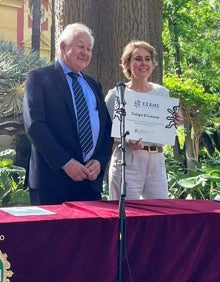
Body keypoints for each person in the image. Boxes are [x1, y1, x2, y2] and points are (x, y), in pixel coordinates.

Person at [23, 23, 114, 205]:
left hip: (89, 182)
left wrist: (100, 160)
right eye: (80, 46)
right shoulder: (39, 79)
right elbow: (35, 125)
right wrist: (66, 163)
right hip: (52, 182)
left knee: (89, 234)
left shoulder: (94, 85)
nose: (85, 53)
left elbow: (107, 129)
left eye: (89, 49)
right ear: (63, 47)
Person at [105, 40, 183, 200]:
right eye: (138, 58)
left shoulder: (162, 93)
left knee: (159, 214)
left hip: (156, 160)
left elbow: (166, 127)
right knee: (126, 215)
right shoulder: (116, 94)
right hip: (128, 160)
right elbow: (105, 133)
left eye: (148, 59)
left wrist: (175, 120)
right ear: (127, 64)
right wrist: (126, 141)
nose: (144, 63)